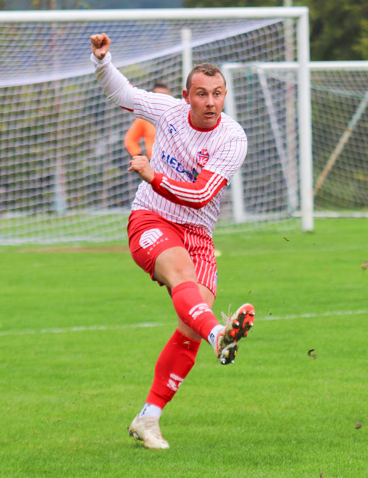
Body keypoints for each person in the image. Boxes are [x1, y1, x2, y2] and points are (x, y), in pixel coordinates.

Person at [90, 32, 255, 449]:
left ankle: (148, 417)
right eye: (202, 94)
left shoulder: (232, 138)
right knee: (186, 284)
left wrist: (153, 175)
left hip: (199, 232)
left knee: (188, 326)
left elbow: (201, 194)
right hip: (151, 219)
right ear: (186, 96)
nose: (211, 102)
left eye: (218, 94)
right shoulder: (167, 111)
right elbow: (121, 92)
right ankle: (220, 336)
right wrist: (103, 62)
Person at [123, 80, 171, 159]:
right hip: (155, 166)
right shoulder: (144, 118)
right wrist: (139, 156)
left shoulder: (177, 115)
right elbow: (130, 140)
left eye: (164, 95)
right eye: (159, 96)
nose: (162, 99)